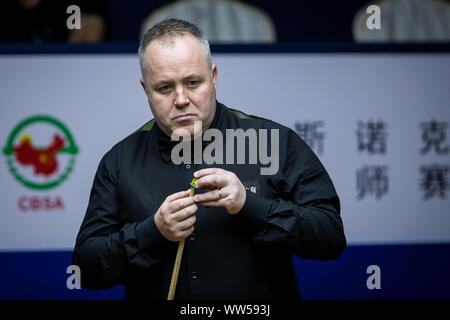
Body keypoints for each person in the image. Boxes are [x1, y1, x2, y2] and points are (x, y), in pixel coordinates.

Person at [72, 18, 346, 300]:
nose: (180, 99)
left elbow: (330, 237)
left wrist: (250, 205)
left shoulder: (273, 142)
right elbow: (86, 269)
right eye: (164, 88)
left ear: (213, 77)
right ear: (145, 89)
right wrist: (152, 232)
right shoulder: (119, 161)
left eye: (193, 83)